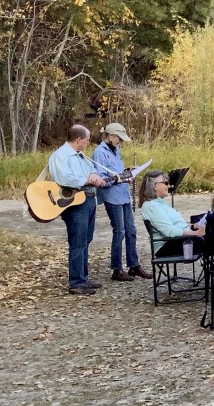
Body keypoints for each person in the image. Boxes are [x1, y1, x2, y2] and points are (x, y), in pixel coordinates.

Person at [48, 124, 109, 295]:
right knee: (77, 241)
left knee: (86, 239)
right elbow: (64, 178)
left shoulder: (81, 155)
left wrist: (94, 175)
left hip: (88, 199)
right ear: (78, 139)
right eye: (87, 140)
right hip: (74, 202)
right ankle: (76, 282)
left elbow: (92, 170)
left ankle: (83, 277)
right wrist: (87, 180)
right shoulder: (60, 156)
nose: (89, 143)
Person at [91, 123, 150, 282]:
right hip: (112, 197)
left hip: (123, 194)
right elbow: (102, 179)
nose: (121, 142)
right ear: (110, 136)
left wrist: (128, 172)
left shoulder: (116, 150)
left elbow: (116, 172)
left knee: (131, 230)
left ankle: (134, 265)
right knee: (120, 231)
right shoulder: (99, 153)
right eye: (119, 138)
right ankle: (116, 269)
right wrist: (120, 178)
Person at [138, 170, 205, 255]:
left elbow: (175, 225)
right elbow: (170, 232)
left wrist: (193, 227)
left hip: (174, 240)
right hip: (166, 245)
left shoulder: (159, 202)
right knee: (208, 240)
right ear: (154, 186)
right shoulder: (151, 206)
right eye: (166, 183)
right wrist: (195, 233)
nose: (169, 186)